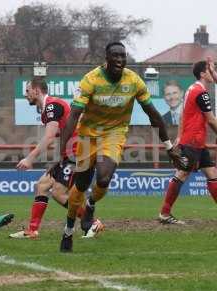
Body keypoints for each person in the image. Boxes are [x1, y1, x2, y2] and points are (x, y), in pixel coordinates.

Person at [58, 42, 185, 252]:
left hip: (114, 134)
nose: (119, 60)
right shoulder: (90, 80)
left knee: (104, 178)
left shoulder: (133, 81)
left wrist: (169, 146)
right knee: (79, 186)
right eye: (115, 56)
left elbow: (153, 115)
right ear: (106, 59)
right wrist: (62, 147)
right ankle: (68, 229)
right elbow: (73, 115)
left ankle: (91, 204)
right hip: (88, 135)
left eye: (122, 56)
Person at [9, 77, 92, 239]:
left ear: (36, 90)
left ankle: (92, 222)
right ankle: (32, 231)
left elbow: (48, 137)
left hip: (77, 153)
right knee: (42, 185)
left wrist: (29, 158)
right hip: (68, 155)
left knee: (58, 193)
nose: (25, 95)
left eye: (27, 91)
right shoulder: (49, 108)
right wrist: (58, 160)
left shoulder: (51, 106)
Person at [159, 59, 217, 224]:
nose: (212, 73)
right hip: (192, 141)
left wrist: (179, 135)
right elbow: (212, 120)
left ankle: (164, 213)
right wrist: (182, 136)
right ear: (202, 74)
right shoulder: (201, 92)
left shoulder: (192, 88)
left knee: (212, 174)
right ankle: (164, 213)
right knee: (182, 174)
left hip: (196, 142)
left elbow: (183, 115)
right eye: (209, 69)